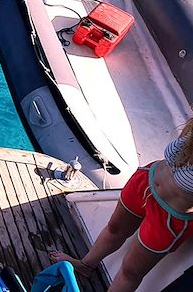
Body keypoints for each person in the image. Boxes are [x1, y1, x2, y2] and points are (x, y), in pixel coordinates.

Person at [50, 118, 193, 292]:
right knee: (113, 229)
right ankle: (85, 265)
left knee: (130, 272)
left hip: (170, 216)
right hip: (145, 181)